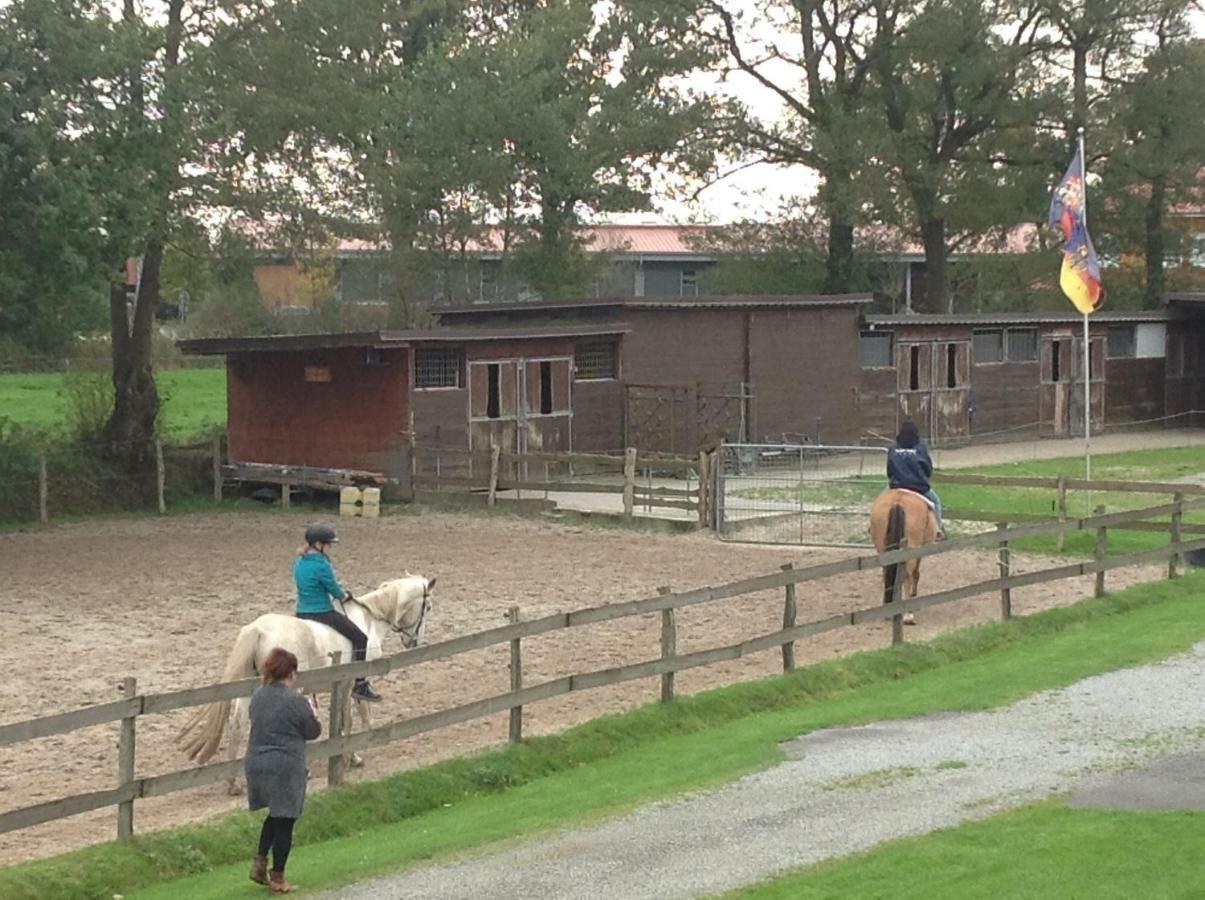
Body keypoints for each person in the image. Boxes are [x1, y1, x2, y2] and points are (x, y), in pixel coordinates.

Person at [246, 647, 322, 893]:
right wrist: (313, 712)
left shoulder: (257, 695)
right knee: (286, 820)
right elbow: (313, 731)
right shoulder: (296, 700)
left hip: (257, 762)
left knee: (275, 814)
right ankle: (278, 877)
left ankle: (259, 862)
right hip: (285, 766)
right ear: (290, 673)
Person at [294, 522, 382, 702]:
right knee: (360, 638)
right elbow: (332, 587)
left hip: (301, 612)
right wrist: (343, 596)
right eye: (328, 544)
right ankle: (360, 683)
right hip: (321, 611)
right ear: (318, 545)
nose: (330, 548)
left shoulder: (299, 562)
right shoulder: (321, 564)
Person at [887, 419, 944, 537]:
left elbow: (889, 468)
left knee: (879, 502)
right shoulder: (920, 446)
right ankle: (938, 530)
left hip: (896, 485)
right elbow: (927, 467)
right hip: (918, 486)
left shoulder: (893, 446)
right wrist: (924, 478)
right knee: (936, 502)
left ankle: (872, 526)